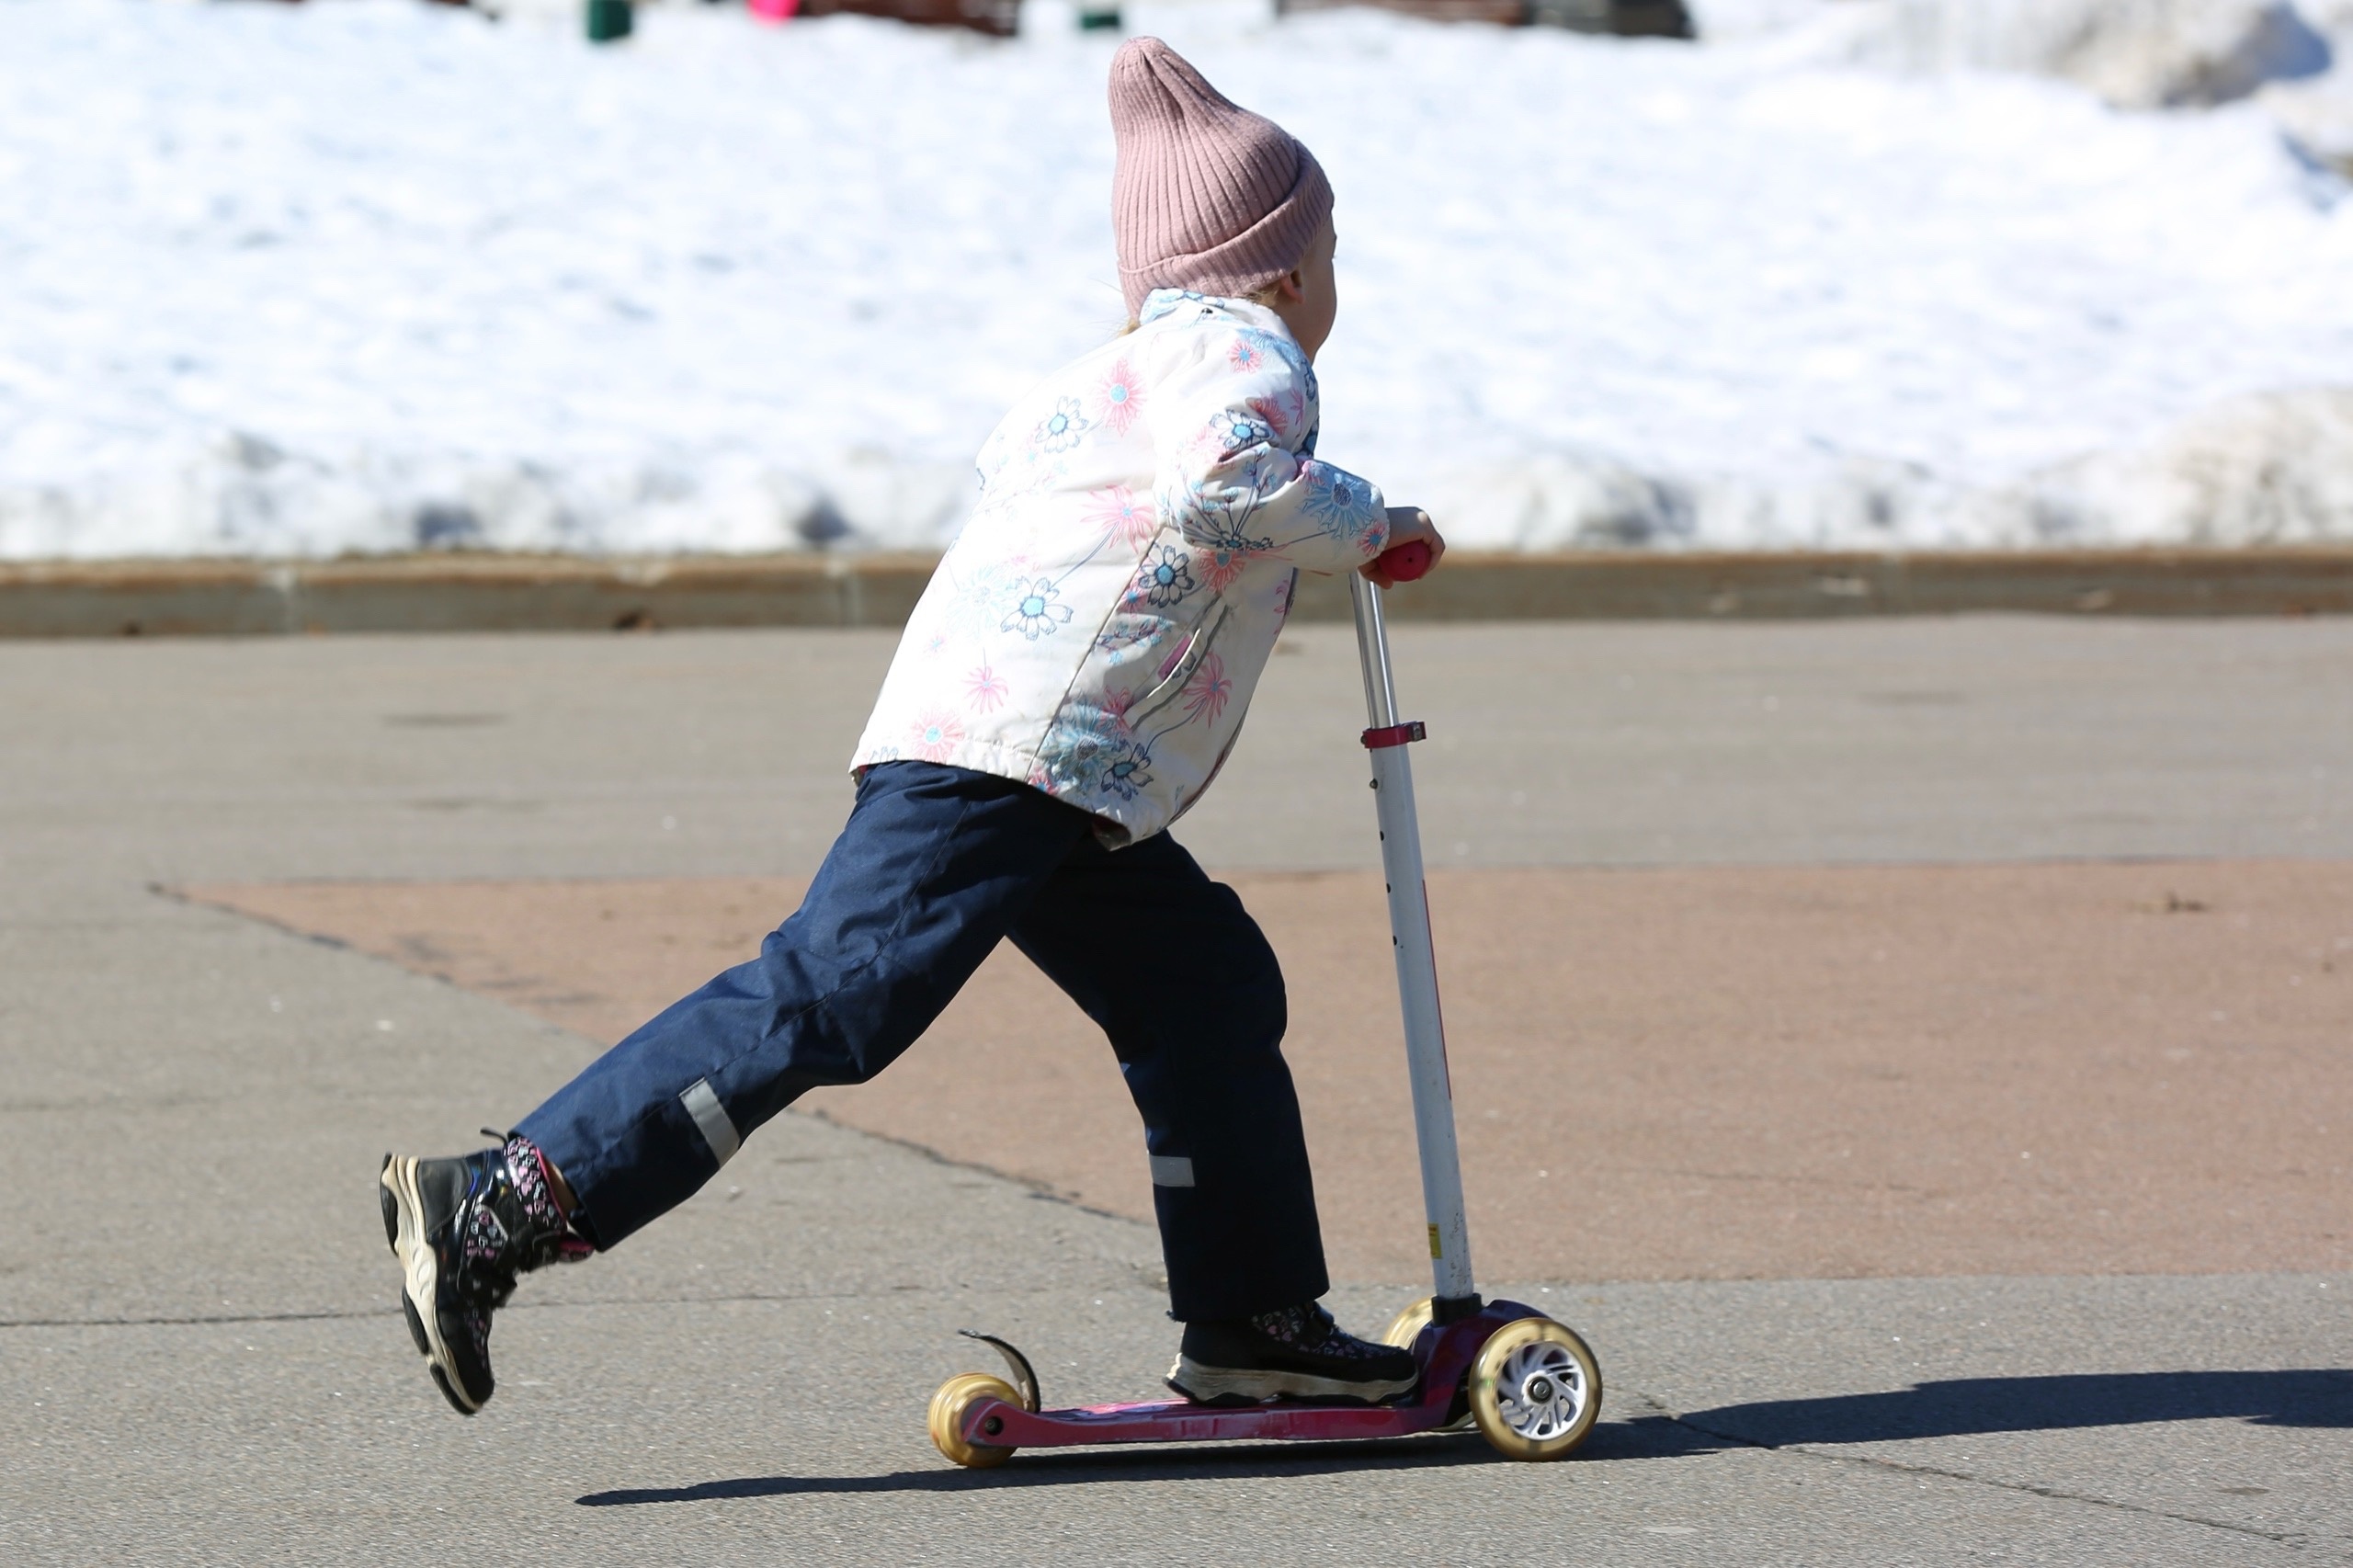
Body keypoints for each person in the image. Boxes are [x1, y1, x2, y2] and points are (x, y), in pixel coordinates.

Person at [379, 35, 1448, 1418]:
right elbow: (1225, 481)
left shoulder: (1100, 379)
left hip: (1043, 762)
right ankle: (507, 1199)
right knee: (833, 993)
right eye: (1331, 256)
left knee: (1205, 990)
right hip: (1015, 755)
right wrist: (1367, 525)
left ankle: (1250, 1313)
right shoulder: (1248, 358)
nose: (1330, 288)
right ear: (1289, 267)